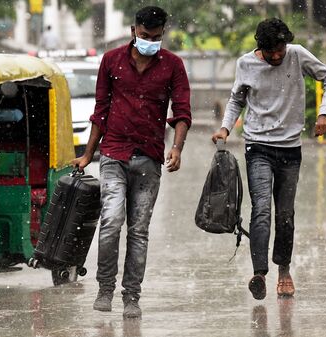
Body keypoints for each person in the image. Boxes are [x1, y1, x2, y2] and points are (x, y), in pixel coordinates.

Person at [72, 6, 191, 318]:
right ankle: (104, 288)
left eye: (156, 37)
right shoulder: (111, 61)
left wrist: (176, 148)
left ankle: (131, 297)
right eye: (144, 35)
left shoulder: (173, 66)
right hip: (113, 154)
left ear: (163, 34)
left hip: (149, 159)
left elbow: (182, 113)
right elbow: (100, 110)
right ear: (133, 30)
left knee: (138, 230)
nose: (150, 41)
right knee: (111, 221)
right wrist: (87, 155)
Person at [211, 18, 326, 300]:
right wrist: (225, 127)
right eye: (272, 52)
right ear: (261, 49)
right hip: (258, 146)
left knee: (285, 214)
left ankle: (284, 270)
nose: (278, 56)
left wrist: (324, 112)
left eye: (281, 49)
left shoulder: (298, 54)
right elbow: (236, 100)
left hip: (290, 149)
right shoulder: (246, 64)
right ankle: (259, 273)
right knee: (262, 210)